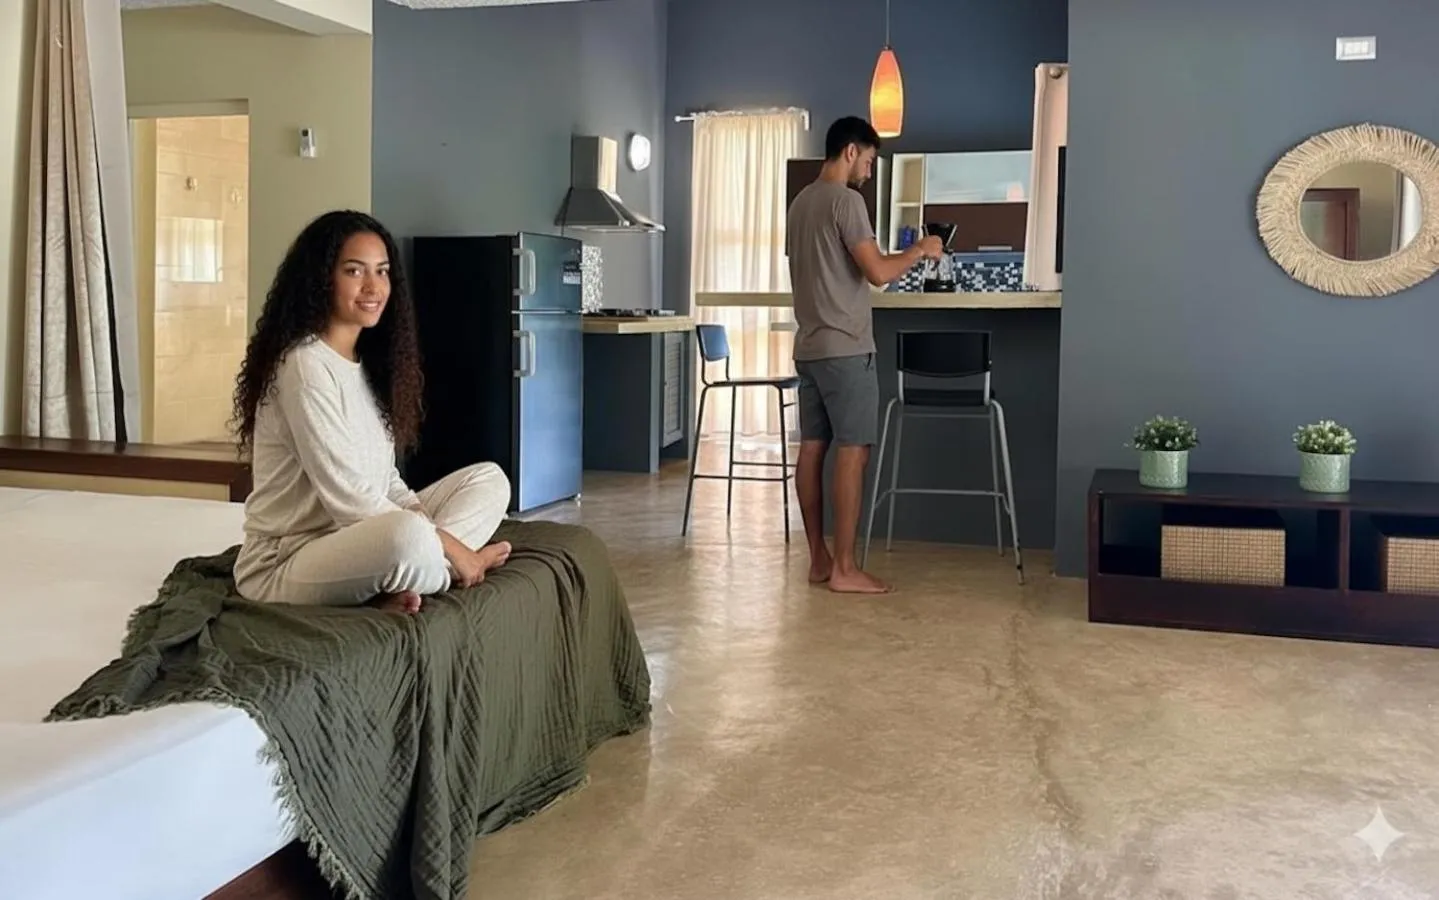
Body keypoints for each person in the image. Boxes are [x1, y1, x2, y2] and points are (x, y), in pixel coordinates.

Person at [231, 210, 513, 614]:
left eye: (381, 272)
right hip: (288, 559)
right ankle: (442, 567)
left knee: (490, 480)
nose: (373, 286)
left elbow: (386, 481)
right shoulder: (304, 366)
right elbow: (349, 497)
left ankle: (413, 574)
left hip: (361, 542)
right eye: (354, 271)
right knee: (408, 538)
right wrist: (455, 548)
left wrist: (420, 520)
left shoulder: (369, 365)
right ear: (321, 278)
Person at [786, 117, 943, 594]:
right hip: (848, 350)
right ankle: (846, 570)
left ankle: (819, 560)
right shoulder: (846, 201)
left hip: (809, 347)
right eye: (871, 161)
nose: (871, 173)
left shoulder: (800, 203)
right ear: (850, 151)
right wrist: (919, 249)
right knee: (853, 453)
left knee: (813, 450)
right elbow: (877, 272)